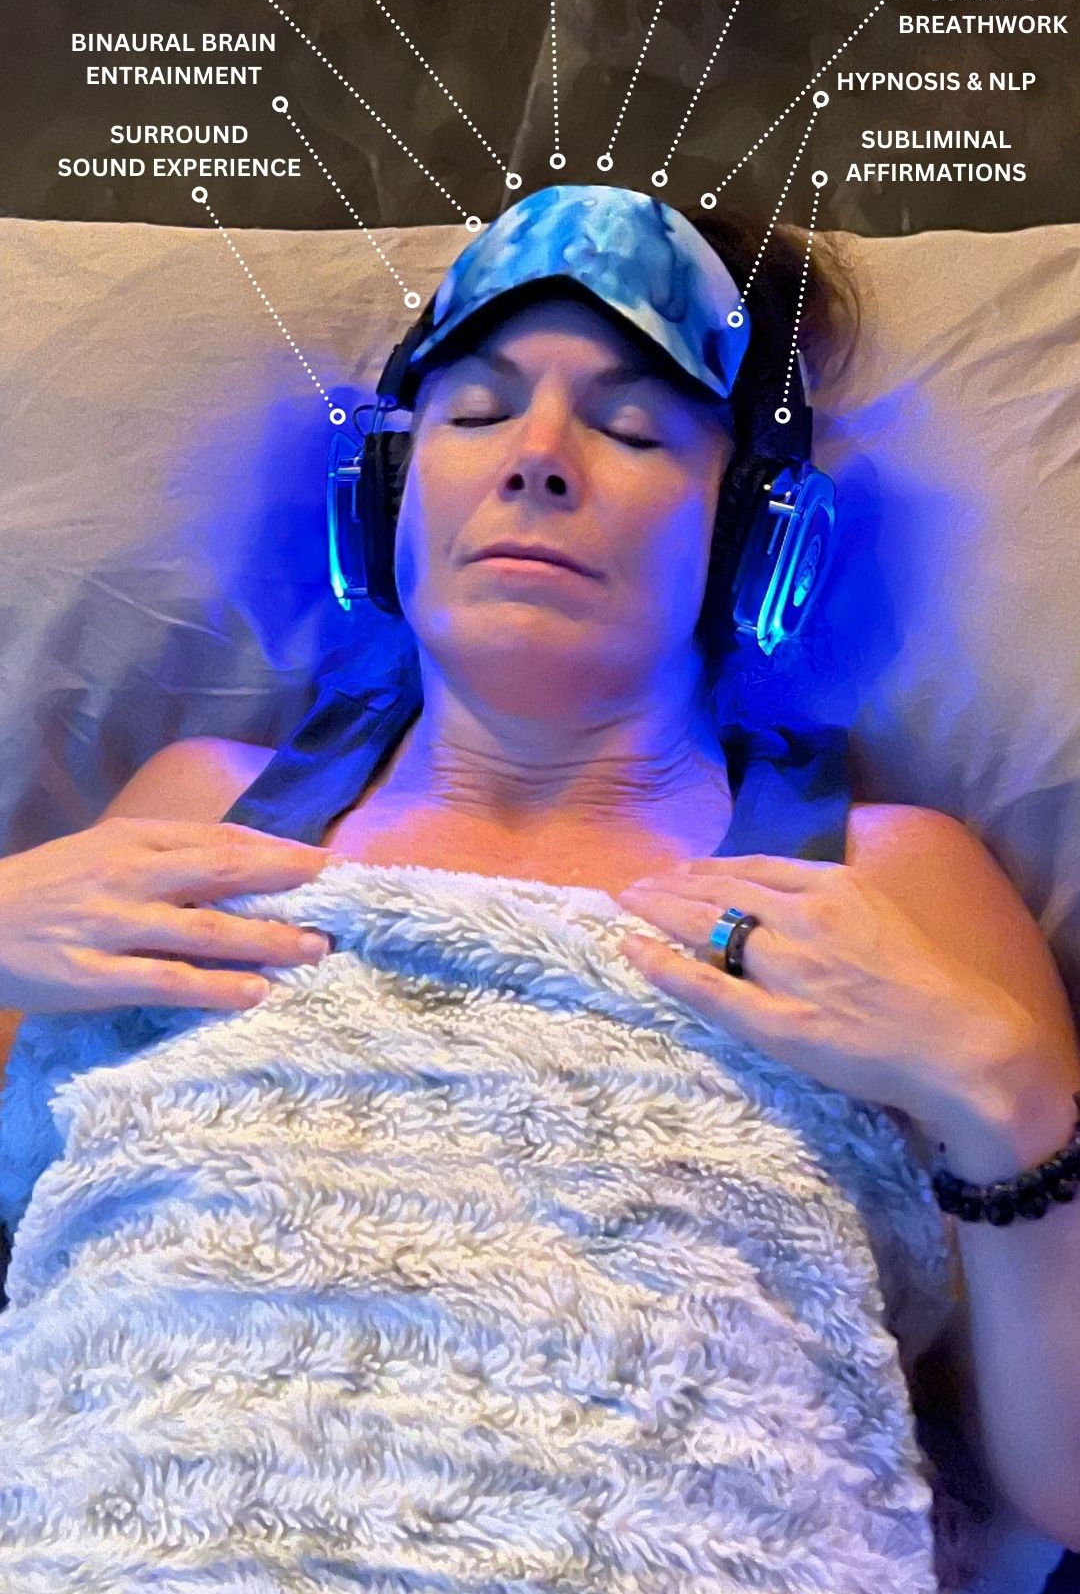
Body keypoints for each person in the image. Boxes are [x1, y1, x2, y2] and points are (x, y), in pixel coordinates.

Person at [1, 185, 1079, 1578]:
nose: (538, 461)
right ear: (387, 493)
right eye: (475, 412)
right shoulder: (195, 811)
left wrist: (1003, 1091)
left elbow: (1062, 1488)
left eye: (632, 428)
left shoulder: (890, 879)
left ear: (752, 532)